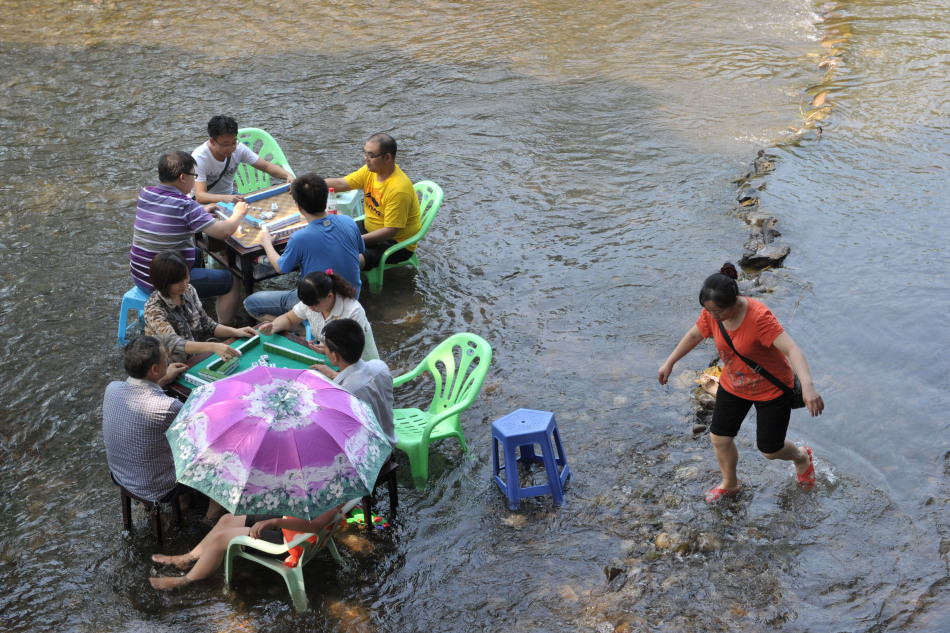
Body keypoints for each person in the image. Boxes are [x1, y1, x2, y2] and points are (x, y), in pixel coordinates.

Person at [657, 263, 825, 503]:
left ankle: (801, 457)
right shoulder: (711, 313)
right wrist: (670, 362)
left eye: (718, 313)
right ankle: (730, 484)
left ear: (734, 302)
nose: (712, 317)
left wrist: (808, 386)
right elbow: (696, 333)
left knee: (770, 450)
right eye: (708, 311)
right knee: (720, 437)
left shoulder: (758, 317)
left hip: (771, 390)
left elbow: (791, 348)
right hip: (734, 384)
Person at [130, 150, 247, 325]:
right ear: (183, 177)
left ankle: (194, 308)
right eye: (195, 175)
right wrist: (238, 214)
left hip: (140, 274)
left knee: (197, 252)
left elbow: (170, 219)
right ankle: (225, 331)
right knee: (231, 280)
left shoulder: (146, 193)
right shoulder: (186, 206)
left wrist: (200, 213)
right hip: (162, 283)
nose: (195, 180)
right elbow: (225, 232)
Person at [243, 173, 365, 321]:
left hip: (318, 301)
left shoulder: (299, 238)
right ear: (326, 198)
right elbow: (359, 251)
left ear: (299, 207)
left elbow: (281, 268)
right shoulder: (348, 221)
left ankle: (302, 328)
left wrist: (267, 243)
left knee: (251, 303)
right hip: (352, 296)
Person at [149, 503, 344, 590]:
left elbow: (315, 525)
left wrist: (274, 522)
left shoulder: (336, 485)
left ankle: (186, 581)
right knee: (227, 519)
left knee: (221, 540)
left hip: (292, 542)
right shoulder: (324, 471)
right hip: (292, 520)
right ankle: (186, 558)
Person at [102, 336, 188, 504]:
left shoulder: (111, 388)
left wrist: (162, 380)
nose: (168, 360)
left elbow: (144, 394)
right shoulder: (169, 406)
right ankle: (210, 516)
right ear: (155, 369)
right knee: (216, 451)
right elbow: (197, 438)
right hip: (157, 487)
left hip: (120, 475)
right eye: (165, 358)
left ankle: (184, 504)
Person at [325, 133, 421, 271]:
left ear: (387, 157)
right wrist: (310, 184)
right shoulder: (371, 171)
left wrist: (357, 240)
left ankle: (350, 289)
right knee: (328, 234)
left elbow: (390, 232)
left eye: (371, 155)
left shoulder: (399, 189)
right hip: (370, 226)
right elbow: (342, 183)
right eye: (364, 154)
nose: (366, 159)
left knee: (347, 262)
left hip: (395, 243)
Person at [144, 251, 258, 363]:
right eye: (178, 281)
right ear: (163, 282)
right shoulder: (154, 309)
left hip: (193, 358)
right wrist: (213, 347)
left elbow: (206, 324)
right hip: (169, 366)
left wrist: (236, 331)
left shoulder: (189, 290)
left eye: (186, 276)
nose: (184, 284)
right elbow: (175, 344)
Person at [260, 271, 380, 362]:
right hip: (333, 359)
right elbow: (289, 319)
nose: (310, 308)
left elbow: (352, 354)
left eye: (313, 305)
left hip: (359, 365)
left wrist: (329, 349)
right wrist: (273, 327)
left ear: (330, 297)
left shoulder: (353, 312)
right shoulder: (311, 302)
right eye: (307, 304)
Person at [314, 319, 396, 446]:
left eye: (325, 348)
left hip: (368, 456)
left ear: (334, 356)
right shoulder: (381, 367)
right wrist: (334, 375)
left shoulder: (341, 394)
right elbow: (360, 383)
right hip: (389, 440)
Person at [191, 115, 295, 204]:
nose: (231, 148)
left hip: (230, 195)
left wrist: (288, 176)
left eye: (234, 143)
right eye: (226, 145)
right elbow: (200, 196)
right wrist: (226, 199)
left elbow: (266, 166)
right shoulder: (200, 158)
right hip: (204, 202)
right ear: (213, 142)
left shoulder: (239, 149)